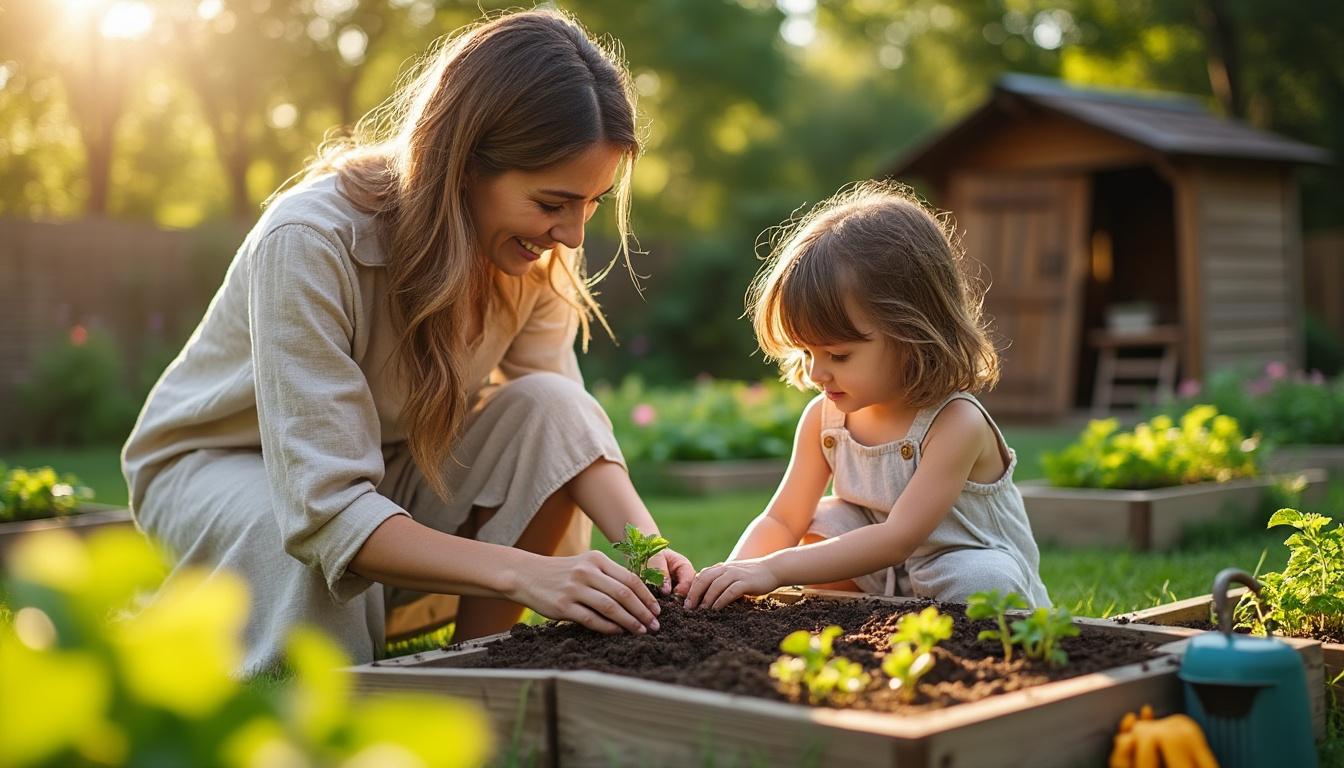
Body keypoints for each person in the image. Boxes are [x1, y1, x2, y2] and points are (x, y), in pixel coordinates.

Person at [122, 9, 693, 676]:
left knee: (547, 405)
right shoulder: (309, 241)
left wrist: (649, 551)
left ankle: (481, 670)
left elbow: (564, 426)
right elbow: (323, 506)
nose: (569, 234)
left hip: (384, 460)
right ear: (464, 164)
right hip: (220, 461)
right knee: (301, 555)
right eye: (551, 203)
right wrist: (525, 573)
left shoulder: (530, 254)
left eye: (591, 204)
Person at [685, 181, 1050, 610]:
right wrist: (733, 576)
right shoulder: (824, 420)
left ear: (912, 333)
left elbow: (897, 538)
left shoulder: (956, 424)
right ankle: (847, 623)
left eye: (838, 354)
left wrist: (776, 569)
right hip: (885, 577)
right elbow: (782, 518)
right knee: (822, 521)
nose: (817, 372)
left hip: (959, 566)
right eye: (807, 351)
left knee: (981, 580)